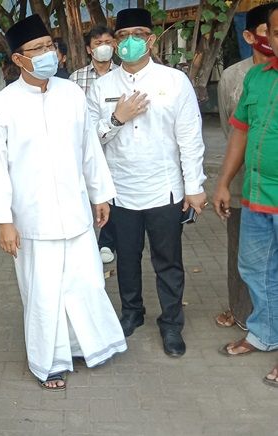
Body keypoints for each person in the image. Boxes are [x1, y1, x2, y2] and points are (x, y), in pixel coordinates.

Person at [0, 15, 127, 391]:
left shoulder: (71, 95)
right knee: (43, 292)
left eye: (50, 46)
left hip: (76, 211)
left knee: (86, 282)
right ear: (18, 59)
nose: (48, 54)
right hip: (31, 218)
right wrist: (3, 220)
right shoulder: (2, 106)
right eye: (38, 49)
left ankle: (87, 346)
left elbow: (89, 149)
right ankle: (48, 362)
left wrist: (100, 194)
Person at [87, 8, 207, 357]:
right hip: (120, 190)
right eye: (123, 36)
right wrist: (116, 118)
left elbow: (189, 137)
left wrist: (194, 185)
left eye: (138, 34)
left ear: (151, 39)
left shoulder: (174, 81)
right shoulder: (102, 87)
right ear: (115, 41)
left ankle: (171, 323)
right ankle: (131, 313)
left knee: (167, 260)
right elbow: (90, 142)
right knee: (126, 258)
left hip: (164, 188)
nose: (130, 42)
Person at [213, 3, 278, 387]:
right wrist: (223, 181)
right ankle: (265, 333)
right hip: (256, 197)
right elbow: (240, 131)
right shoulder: (257, 77)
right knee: (255, 269)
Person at [69, 25, 119, 264]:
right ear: (89, 49)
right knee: (84, 194)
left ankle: (107, 242)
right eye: (98, 43)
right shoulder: (75, 79)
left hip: (114, 148)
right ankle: (84, 239)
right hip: (83, 147)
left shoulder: (122, 76)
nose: (104, 47)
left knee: (108, 194)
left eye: (108, 42)